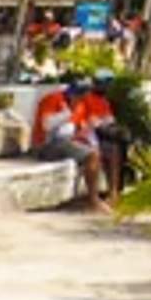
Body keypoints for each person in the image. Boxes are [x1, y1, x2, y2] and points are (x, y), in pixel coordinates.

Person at [24, 75, 112, 209]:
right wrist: (67, 114)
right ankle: (94, 201)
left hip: (65, 141)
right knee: (91, 155)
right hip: (46, 144)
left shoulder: (77, 105)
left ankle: (93, 196)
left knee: (98, 151)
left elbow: (74, 128)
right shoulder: (53, 99)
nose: (82, 99)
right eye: (81, 96)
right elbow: (46, 125)